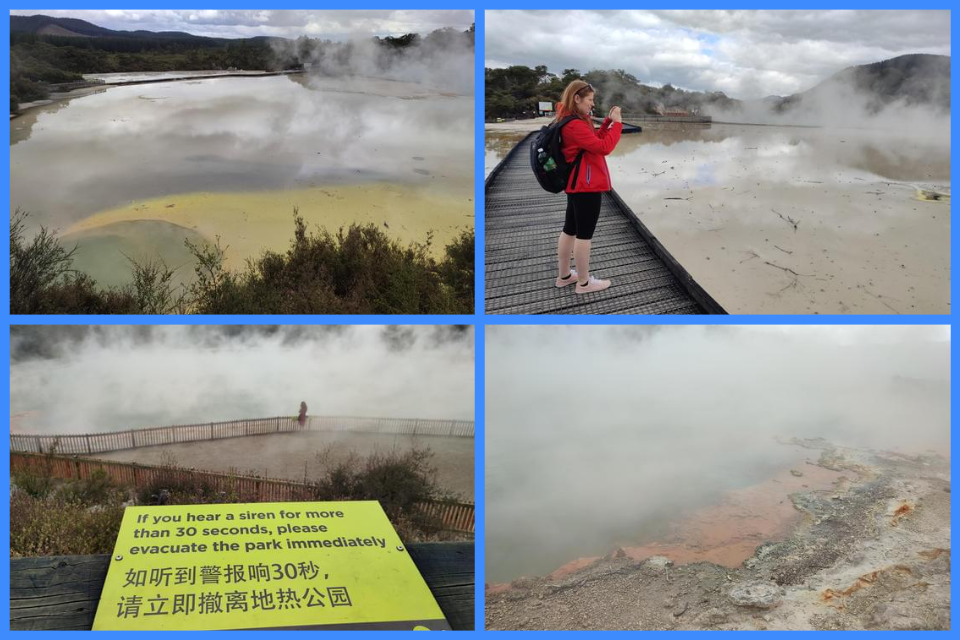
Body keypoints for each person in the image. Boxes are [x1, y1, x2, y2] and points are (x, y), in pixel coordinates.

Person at [553, 80, 623, 294]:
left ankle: (565, 276)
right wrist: (618, 124)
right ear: (577, 98)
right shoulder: (574, 124)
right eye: (590, 100)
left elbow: (592, 141)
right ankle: (584, 283)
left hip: (577, 184)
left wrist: (606, 124)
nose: (592, 104)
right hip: (586, 185)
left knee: (570, 229)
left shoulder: (572, 119)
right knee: (584, 235)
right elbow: (604, 147)